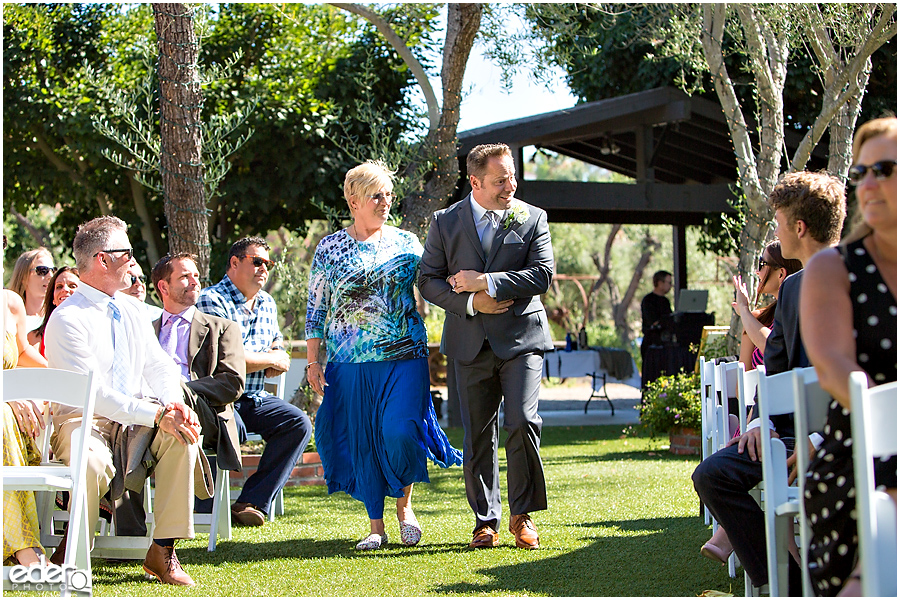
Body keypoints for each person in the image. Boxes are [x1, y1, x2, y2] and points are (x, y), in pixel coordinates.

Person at [691, 171, 846, 593]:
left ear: (799, 228)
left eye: (778, 221)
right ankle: (789, 584)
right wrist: (759, 421)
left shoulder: (859, 283)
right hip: (785, 434)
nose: (775, 230)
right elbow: (773, 367)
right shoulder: (791, 289)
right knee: (712, 475)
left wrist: (818, 439)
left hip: (840, 438)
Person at [305, 161, 462, 551]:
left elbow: (434, 283)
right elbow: (316, 308)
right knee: (364, 440)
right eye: (377, 195)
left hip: (406, 354)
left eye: (389, 195)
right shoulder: (330, 247)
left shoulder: (407, 242)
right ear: (353, 199)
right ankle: (376, 525)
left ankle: (405, 506)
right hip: (350, 361)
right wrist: (312, 359)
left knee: (400, 430)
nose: (385, 202)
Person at [44, 216, 205, 586]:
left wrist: (173, 405)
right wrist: (157, 413)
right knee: (91, 460)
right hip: (83, 419)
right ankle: (75, 556)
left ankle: (162, 551)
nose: (134, 263)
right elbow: (96, 396)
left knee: (184, 434)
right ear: (103, 259)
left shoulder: (132, 309)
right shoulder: (67, 319)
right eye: (127, 254)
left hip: (138, 416)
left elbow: (160, 366)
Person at [419, 143, 554, 550]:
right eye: (500, 180)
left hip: (523, 339)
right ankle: (484, 521)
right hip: (470, 341)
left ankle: (522, 515)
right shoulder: (444, 222)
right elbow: (428, 279)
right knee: (477, 435)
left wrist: (487, 282)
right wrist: (471, 301)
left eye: (512, 176)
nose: (510, 186)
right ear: (475, 182)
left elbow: (543, 275)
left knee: (522, 420)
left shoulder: (533, 217)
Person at [799, 116, 897, 596]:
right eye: (861, 174)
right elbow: (834, 366)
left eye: (885, 169)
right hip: (863, 445)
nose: (870, 183)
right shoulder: (833, 267)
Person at [197, 237, 313, 527]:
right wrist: (269, 359)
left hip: (253, 398)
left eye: (269, 264)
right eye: (257, 261)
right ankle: (206, 507)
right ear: (234, 263)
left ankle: (251, 502)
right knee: (231, 429)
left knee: (298, 423)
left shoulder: (267, 303)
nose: (264, 269)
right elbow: (227, 361)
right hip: (218, 400)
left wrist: (270, 357)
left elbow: (279, 351)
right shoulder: (212, 300)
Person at [700, 240, 802, 563]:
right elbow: (754, 370)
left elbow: (774, 348)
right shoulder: (773, 308)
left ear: (781, 272)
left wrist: (745, 312)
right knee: (712, 471)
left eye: (763, 264)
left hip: (804, 425)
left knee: (761, 466)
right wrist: (760, 420)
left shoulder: (797, 295)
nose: (758, 270)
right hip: (768, 415)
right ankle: (782, 572)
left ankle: (742, 541)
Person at [3, 235, 48, 567]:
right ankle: (24, 549)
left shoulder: (10, 303)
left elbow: (22, 353)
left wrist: (69, 373)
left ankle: (19, 549)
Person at [27, 266, 80, 356]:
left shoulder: (94, 330)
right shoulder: (35, 337)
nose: (65, 289)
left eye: (72, 286)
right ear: (53, 299)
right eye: (59, 286)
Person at [7, 247, 56, 333]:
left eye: (53, 271)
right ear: (23, 277)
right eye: (42, 271)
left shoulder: (58, 317)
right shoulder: (8, 320)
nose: (50, 276)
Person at [640, 270, 673, 389]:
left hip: (665, 345)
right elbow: (653, 321)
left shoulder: (665, 301)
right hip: (651, 344)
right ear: (660, 282)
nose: (670, 286)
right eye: (669, 282)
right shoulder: (648, 300)